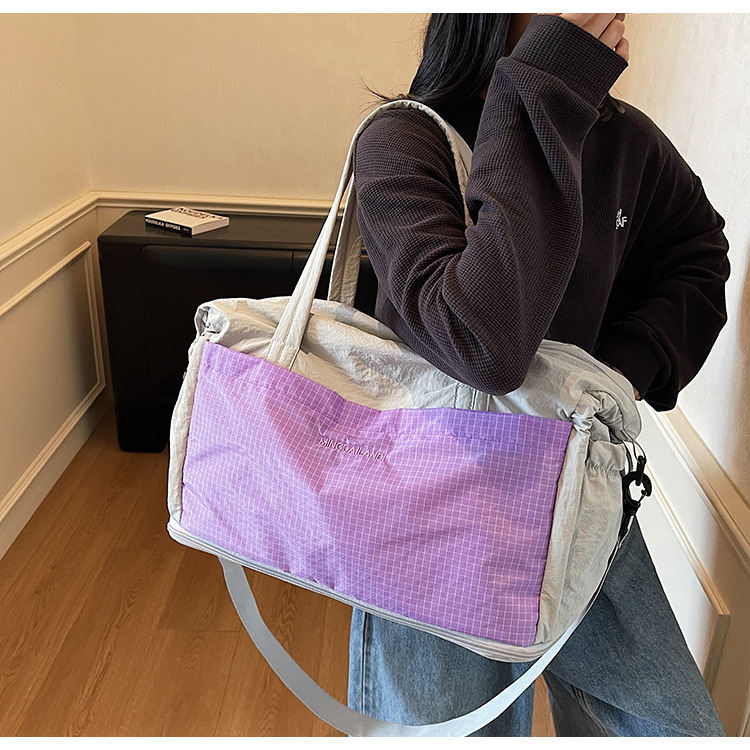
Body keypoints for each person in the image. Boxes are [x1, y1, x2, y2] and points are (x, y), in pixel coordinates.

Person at [346, 13, 730, 737]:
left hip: (581, 497)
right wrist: (538, 90)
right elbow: (481, 341)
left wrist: (617, 373)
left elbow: (698, 252)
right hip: (434, 519)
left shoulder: (624, 140)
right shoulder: (404, 140)